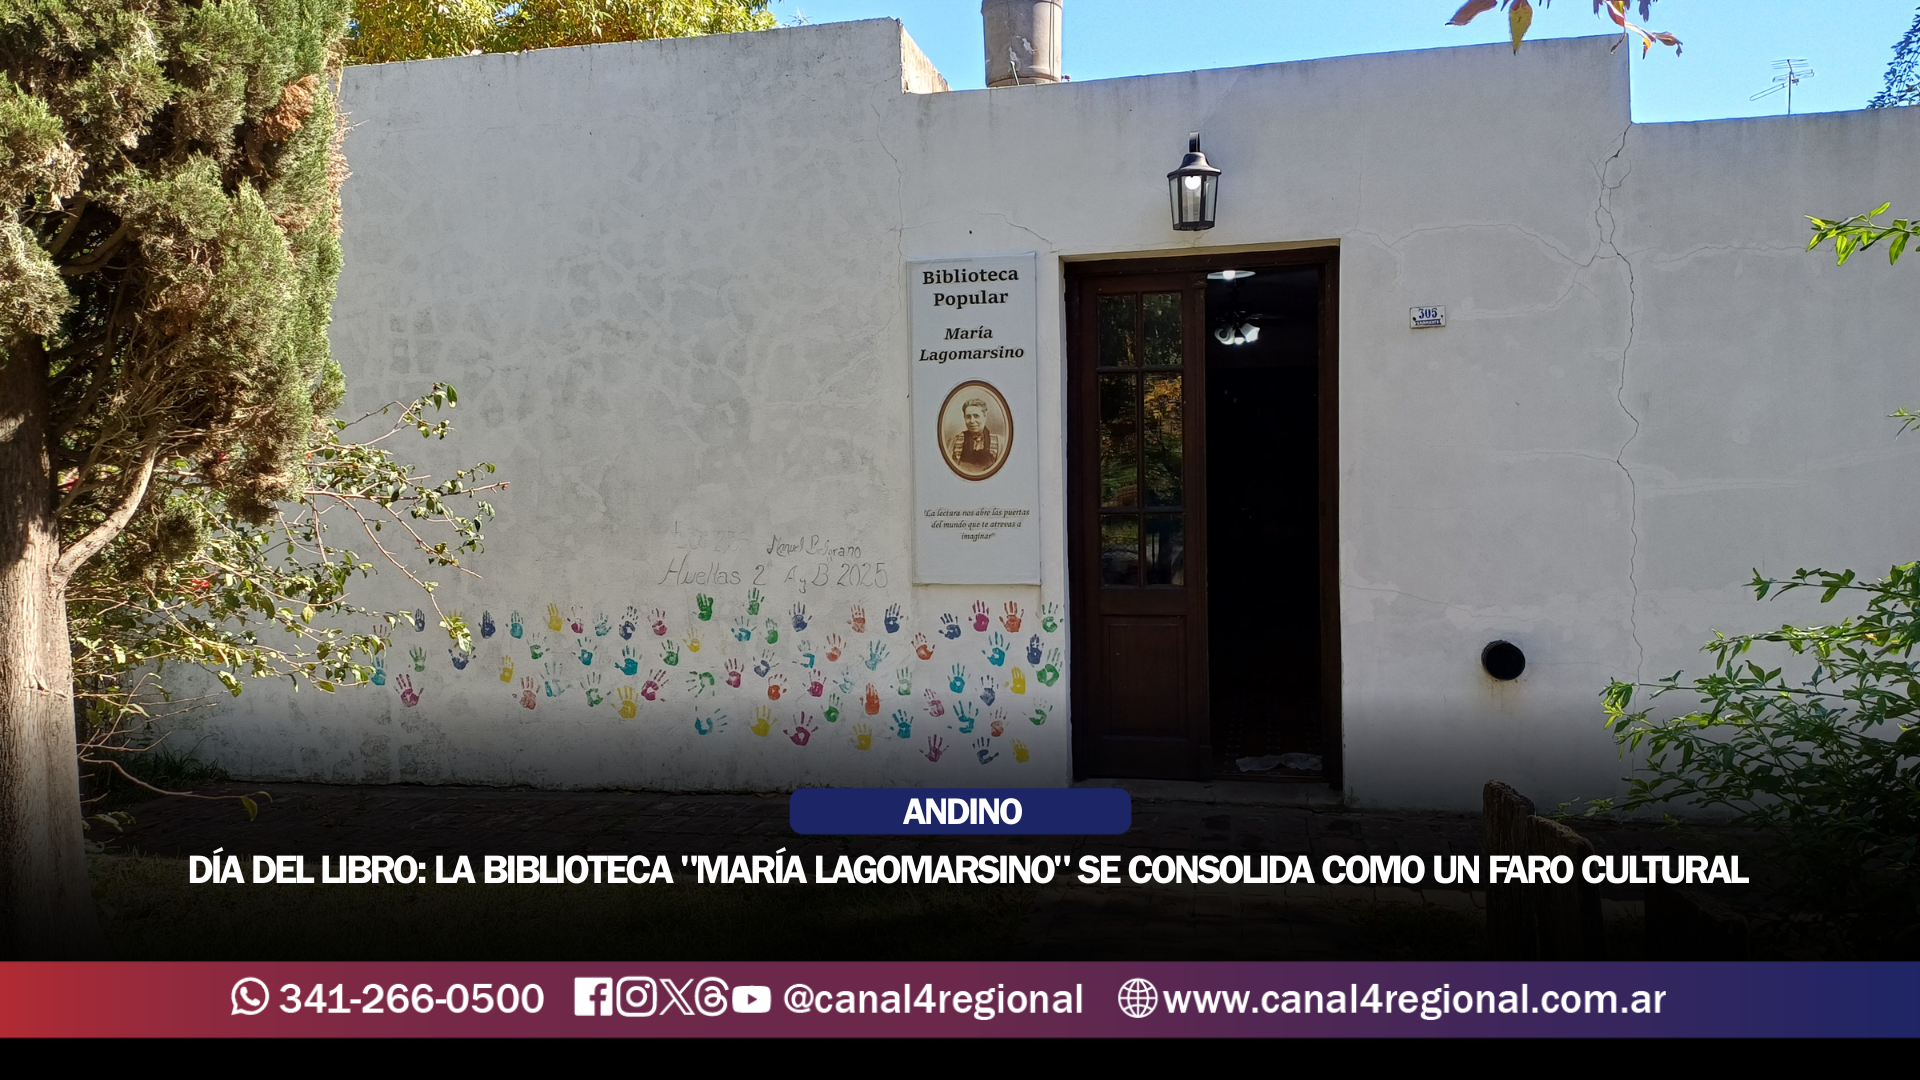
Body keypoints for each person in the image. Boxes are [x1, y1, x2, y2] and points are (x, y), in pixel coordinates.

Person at [949, 398, 1001, 473]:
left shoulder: (1000, 443)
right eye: (968, 417)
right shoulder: (953, 442)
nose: (972, 421)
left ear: (985, 416)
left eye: (976, 416)